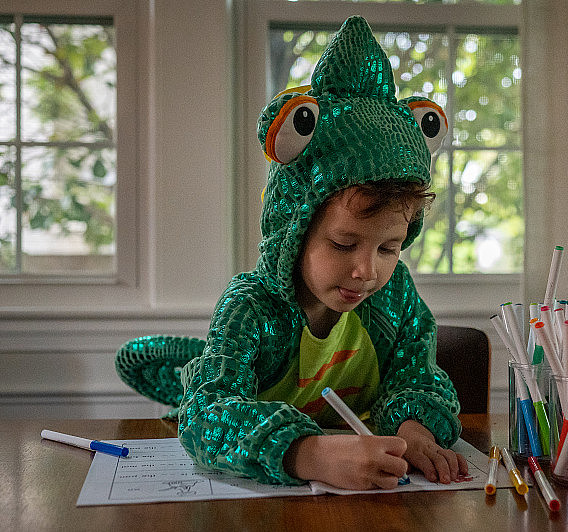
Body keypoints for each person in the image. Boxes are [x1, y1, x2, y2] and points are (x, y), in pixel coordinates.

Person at [116, 16, 467, 490]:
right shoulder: (249, 307)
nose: (367, 270)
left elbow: (416, 377)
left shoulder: (395, 295)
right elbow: (208, 414)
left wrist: (414, 428)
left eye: (390, 247)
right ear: (293, 230)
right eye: (343, 244)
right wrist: (308, 453)